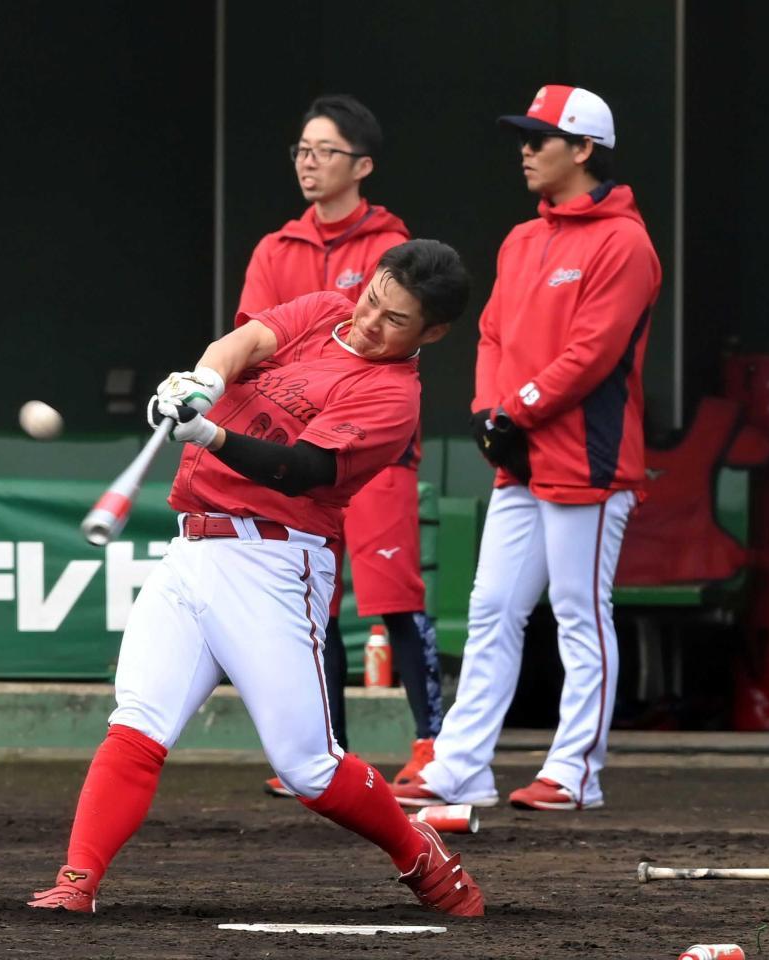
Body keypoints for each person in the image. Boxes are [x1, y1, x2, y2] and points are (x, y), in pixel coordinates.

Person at [26, 239, 483, 917]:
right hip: (193, 548)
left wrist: (210, 435)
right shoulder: (327, 308)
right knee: (139, 720)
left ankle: (417, 852)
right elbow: (244, 343)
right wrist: (202, 383)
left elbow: (303, 470)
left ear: (433, 333)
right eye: (372, 300)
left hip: (277, 562)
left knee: (309, 768)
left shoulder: (393, 398)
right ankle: (77, 881)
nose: (368, 321)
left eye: (395, 320)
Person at [391, 84, 662, 812]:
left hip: (590, 458)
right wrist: (488, 411)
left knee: (580, 611)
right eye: (525, 136)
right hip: (521, 457)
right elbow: (492, 336)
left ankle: (577, 771)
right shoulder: (523, 238)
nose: (526, 149)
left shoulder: (624, 241)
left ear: (583, 149)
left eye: (541, 138)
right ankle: (461, 765)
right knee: (492, 608)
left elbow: (593, 353)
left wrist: (515, 410)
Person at [237, 94, 442, 794]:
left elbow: (390, 354)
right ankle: (325, 754)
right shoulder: (275, 247)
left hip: (368, 448)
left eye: (324, 151)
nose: (308, 162)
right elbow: (254, 344)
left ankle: (431, 745)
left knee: (393, 591)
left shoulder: (392, 245)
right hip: (292, 451)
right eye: (301, 149)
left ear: (363, 166)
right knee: (311, 604)